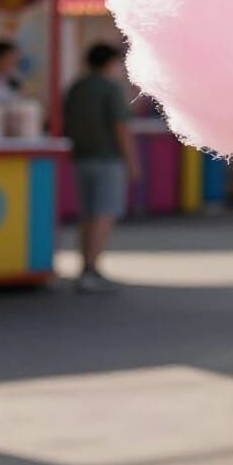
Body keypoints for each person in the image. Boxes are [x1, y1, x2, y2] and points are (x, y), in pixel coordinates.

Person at [63, 42, 141, 293]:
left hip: (81, 158)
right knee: (103, 215)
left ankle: (85, 267)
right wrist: (132, 162)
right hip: (108, 159)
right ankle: (92, 270)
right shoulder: (110, 88)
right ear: (110, 62)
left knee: (88, 215)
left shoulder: (77, 87)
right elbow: (120, 127)